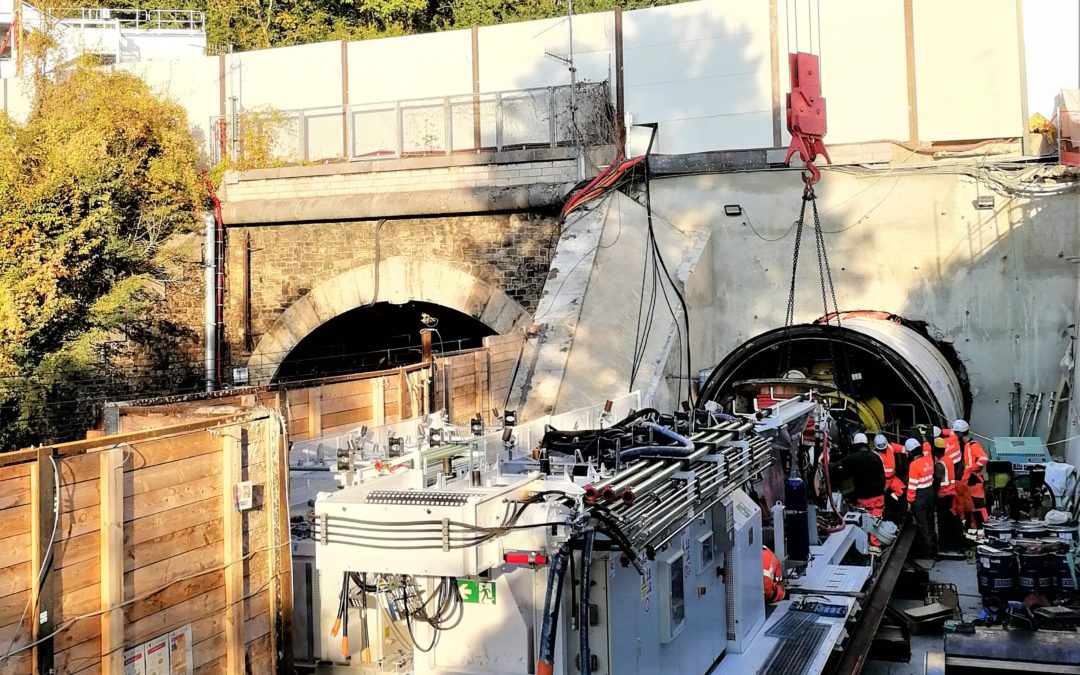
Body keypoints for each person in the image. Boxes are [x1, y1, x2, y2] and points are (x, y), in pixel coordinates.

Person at [832, 433, 887, 548]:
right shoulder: (876, 457)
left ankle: (865, 546)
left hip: (864, 497)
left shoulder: (853, 458)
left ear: (855, 445)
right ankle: (876, 546)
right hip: (879, 497)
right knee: (876, 521)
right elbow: (882, 476)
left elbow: (837, 466)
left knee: (865, 522)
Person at [930, 436, 965, 552]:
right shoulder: (949, 460)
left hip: (943, 496)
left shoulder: (939, 464)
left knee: (944, 523)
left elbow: (938, 479)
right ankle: (956, 545)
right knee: (952, 521)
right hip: (951, 494)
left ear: (935, 450)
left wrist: (934, 493)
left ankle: (945, 547)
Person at [954, 419, 989, 533]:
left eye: (955, 433)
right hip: (970, 482)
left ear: (959, 433)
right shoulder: (967, 445)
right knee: (971, 509)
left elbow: (983, 458)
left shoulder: (973, 445)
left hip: (974, 481)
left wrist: (972, 468)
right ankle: (974, 533)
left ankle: (983, 531)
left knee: (979, 508)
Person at [906, 437, 937, 558]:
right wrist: (924, 438)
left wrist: (909, 501)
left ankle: (926, 552)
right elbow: (928, 448)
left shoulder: (914, 465)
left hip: (920, 497)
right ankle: (934, 548)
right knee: (930, 524)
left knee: (922, 526)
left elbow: (912, 486)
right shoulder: (929, 459)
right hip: (930, 494)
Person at [874, 434, 906, 522]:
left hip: (893, 478)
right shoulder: (876, 456)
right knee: (881, 499)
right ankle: (885, 513)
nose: (883, 449)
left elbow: (902, 449)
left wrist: (909, 452)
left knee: (901, 491)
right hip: (884, 480)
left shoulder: (890, 447)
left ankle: (892, 504)